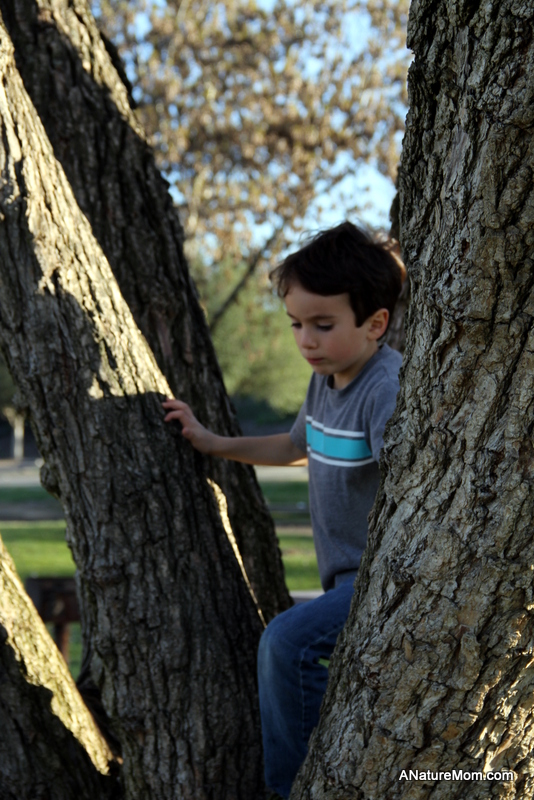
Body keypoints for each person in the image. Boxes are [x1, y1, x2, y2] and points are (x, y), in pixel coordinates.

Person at [162, 221, 405, 798]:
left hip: (378, 577)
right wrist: (213, 442)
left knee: (287, 643)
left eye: (323, 325)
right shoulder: (326, 380)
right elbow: (298, 446)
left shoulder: (384, 388)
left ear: (375, 324)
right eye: (297, 324)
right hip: (342, 580)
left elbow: (410, 483)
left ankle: (293, 788)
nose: (306, 340)